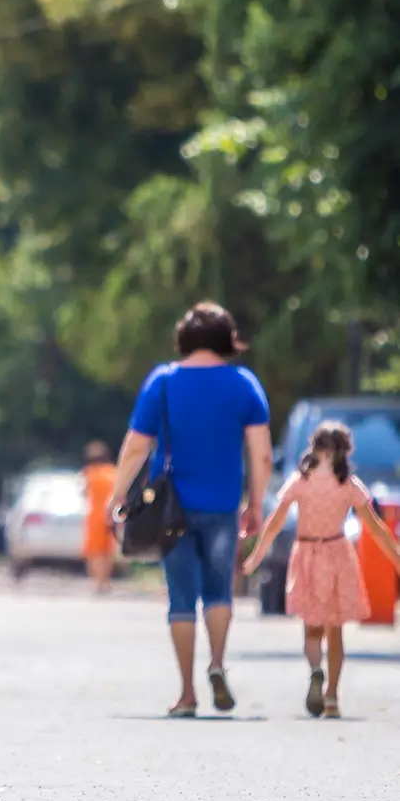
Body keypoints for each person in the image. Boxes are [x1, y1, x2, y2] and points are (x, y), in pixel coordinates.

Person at [107, 301, 273, 718]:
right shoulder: (244, 384)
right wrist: (255, 503)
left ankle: (186, 693)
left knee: (181, 598)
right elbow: (262, 454)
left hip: (171, 511)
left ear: (183, 337)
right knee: (219, 592)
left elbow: (136, 446)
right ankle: (217, 663)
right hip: (223, 506)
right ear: (227, 339)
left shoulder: (163, 382)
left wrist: (117, 495)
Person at [242, 422, 400, 718]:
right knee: (335, 630)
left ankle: (316, 669)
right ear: (343, 451)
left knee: (312, 627)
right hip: (337, 555)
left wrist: (256, 555)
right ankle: (332, 698)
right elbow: (375, 527)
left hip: (307, 556)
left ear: (315, 448)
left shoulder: (300, 481)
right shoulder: (349, 484)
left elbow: (275, 522)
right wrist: (396, 558)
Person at [81, 441, 119, 594]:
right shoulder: (113, 472)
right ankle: (106, 581)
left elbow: (85, 494)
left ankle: (97, 582)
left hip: (95, 516)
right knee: (108, 551)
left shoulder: (89, 474)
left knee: (95, 552)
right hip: (111, 515)